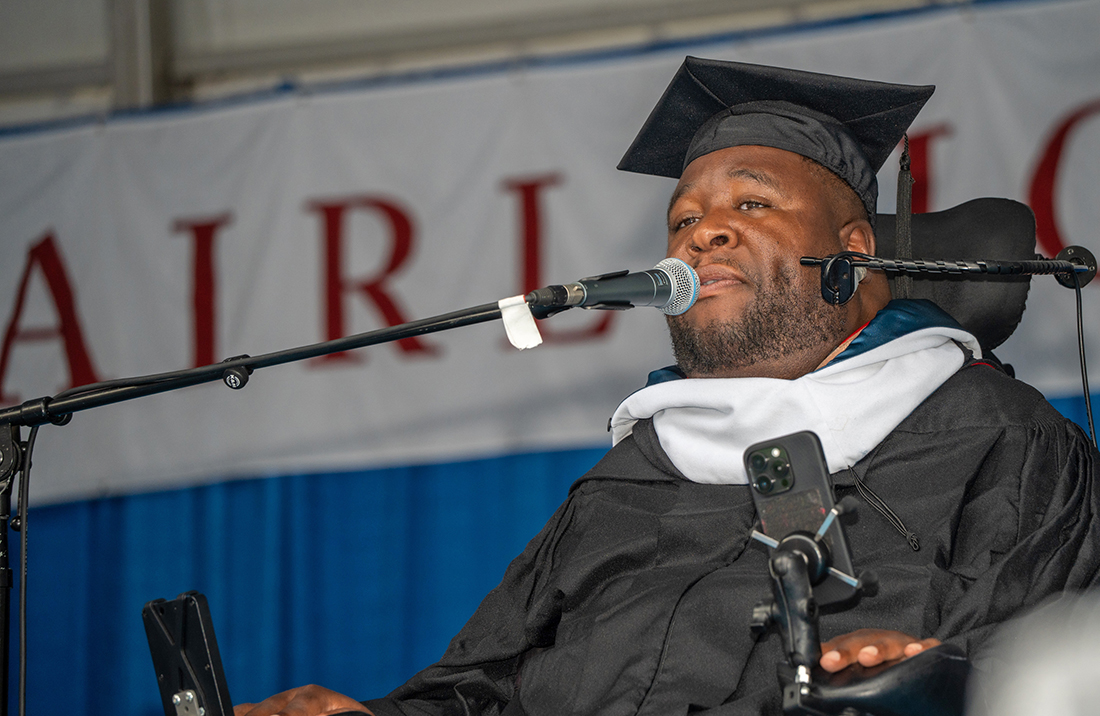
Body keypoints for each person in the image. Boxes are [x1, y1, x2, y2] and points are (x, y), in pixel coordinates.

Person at [236, 57, 1100, 716]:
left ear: (857, 249)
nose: (703, 233)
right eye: (682, 220)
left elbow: (1049, 664)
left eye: (752, 206)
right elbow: (483, 685)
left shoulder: (998, 437)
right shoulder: (634, 474)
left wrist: (932, 679)